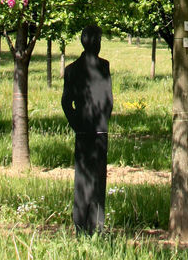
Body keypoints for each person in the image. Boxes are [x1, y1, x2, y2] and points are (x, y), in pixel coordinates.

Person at [61, 24, 113, 234]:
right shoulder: (97, 67)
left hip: (89, 130)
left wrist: (78, 124)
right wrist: (95, 122)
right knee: (95, 179)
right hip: (95, 130)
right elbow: (108, 101)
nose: (99, 45)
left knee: (86, 178)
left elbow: (67, 102)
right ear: (92, 42)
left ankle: (86, 225)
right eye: (98, 40)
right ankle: (91, 225)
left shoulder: (75, 69)